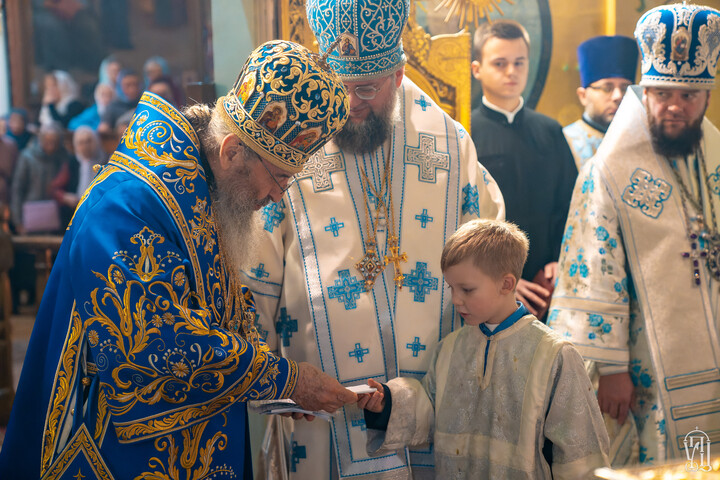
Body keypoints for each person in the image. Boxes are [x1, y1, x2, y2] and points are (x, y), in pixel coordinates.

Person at [0, 40, 357, 479]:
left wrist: (273, 391)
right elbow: (156, 347)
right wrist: (285, 379)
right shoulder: (128, 205)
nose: (276, 196)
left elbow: (218, 318)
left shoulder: (205, 191)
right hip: (107, 451)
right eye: (279, 177)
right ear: (231, 151)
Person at [243, 1, 504, 478]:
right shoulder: (296, 137)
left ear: (398, 75)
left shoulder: (449, 145)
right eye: (339, 87)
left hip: (433, 403)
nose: (349, 104)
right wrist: (274, 381)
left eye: (366, 89)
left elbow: (490, 255)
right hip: (319, 411)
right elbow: (254, 274)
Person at [548, 3, 720, 466]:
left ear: (707, 96)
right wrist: (612, 367)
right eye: (662, 93)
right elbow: (594, 266)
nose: (674, 106)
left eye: (689, 95)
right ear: (644, 92)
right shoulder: (610, 169)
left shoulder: (716, 156)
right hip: (646, 364)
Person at [357, 219, 610, 478]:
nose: (456, 300)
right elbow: (430, 411)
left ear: (506, 284)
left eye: (467, 289)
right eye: (451, 288)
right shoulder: (450, 348)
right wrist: (387, 403)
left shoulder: (554, 355)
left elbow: (580, 452)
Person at [470, 20, 577, 321]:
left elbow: (570, 204)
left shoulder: (550, 130)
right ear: (477, 69)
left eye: (519, 62)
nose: (511, 72)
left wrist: (559, 260)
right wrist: (499, 280)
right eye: (500, 63)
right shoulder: (464, 133)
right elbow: (465, 218)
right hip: (489, 286)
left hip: (551, 285)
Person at [563, 36, 638, 169]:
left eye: (625, 88)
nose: (618, 96)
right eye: (607, 88)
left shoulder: (642, 142)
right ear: (583, 96)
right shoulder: (563, 143)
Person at [50, 126, 106, 227]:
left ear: (96, 141)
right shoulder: (72, 163)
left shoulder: (107, 162)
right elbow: (54, 189)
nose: (85, 146)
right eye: (81, 143)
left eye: (89, 141)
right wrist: (65, 197)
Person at [98, 69, 143, 134]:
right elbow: (103, 130)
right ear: (120, 86)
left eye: (135, 84)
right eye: (127, 85)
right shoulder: (112, 107)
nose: (132, 89)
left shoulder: (144, 104)